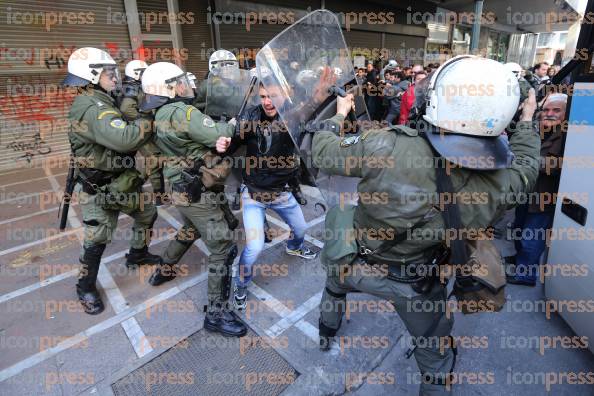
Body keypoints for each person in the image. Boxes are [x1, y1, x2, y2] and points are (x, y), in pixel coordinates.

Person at [312, 56, 540, 395]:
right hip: (416, 286)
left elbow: (323, 152)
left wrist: (340, 113)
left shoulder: (385, 143)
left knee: (334, 286)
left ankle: (326, 332)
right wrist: (526, 120)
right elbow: (526, 168)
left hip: (355, 264)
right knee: (435, 358)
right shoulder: (498, 186)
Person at [140, 61, 247, 337]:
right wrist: (232, 125)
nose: (186, 84)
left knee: (189, 229)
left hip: (182, 188)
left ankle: (163, 269)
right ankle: (216, 313)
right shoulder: (182, 111)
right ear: (170, 87)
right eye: (180, 81)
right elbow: (218, 134)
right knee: (223, 247)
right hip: (198, 189)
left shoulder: (161, 113)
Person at [62, 47, 162, 315]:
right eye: (109, 73)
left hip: (120, 180)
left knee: (147, 213)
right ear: (92, 75)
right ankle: (85, 286)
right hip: (100, 186)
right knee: (97, 239)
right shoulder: (92, 106)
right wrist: (147, 115)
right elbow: (125, 138)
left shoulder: (100, 98)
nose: (115, 78)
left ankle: (137, 254)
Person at [218, 81, 317, 310]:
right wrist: (223, 145)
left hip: (282, 192)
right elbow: (233, 143)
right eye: (262, 96)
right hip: (253, 193)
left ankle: (294, 246)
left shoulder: (292, 116)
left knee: (301, 230)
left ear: (286, 94)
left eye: (272, 95)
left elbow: (312, 105)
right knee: (254, 246)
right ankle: (240, 284)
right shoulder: (251, 117)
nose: (267, 101)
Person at [507, 93, 568, 286]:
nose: (549, 114)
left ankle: (525, 274)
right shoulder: (537, 129)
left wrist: (528, 161)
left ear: (565, 114)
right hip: (526, 191)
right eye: (546, 110)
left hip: (543, 197)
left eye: (556, 111)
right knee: (519, 228)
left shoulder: (568, 137)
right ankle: (520, 261)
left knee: (531, 237)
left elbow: (559, 165)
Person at [119, 59, 165, 205]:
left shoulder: (130, 85)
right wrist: (145, 119)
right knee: (154, 160)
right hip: (139, 131)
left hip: (138, 130)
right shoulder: (132, 88)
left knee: (154, 161)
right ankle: (155, 194)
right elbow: (126, 109)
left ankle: (141, 187)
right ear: (136, 73)